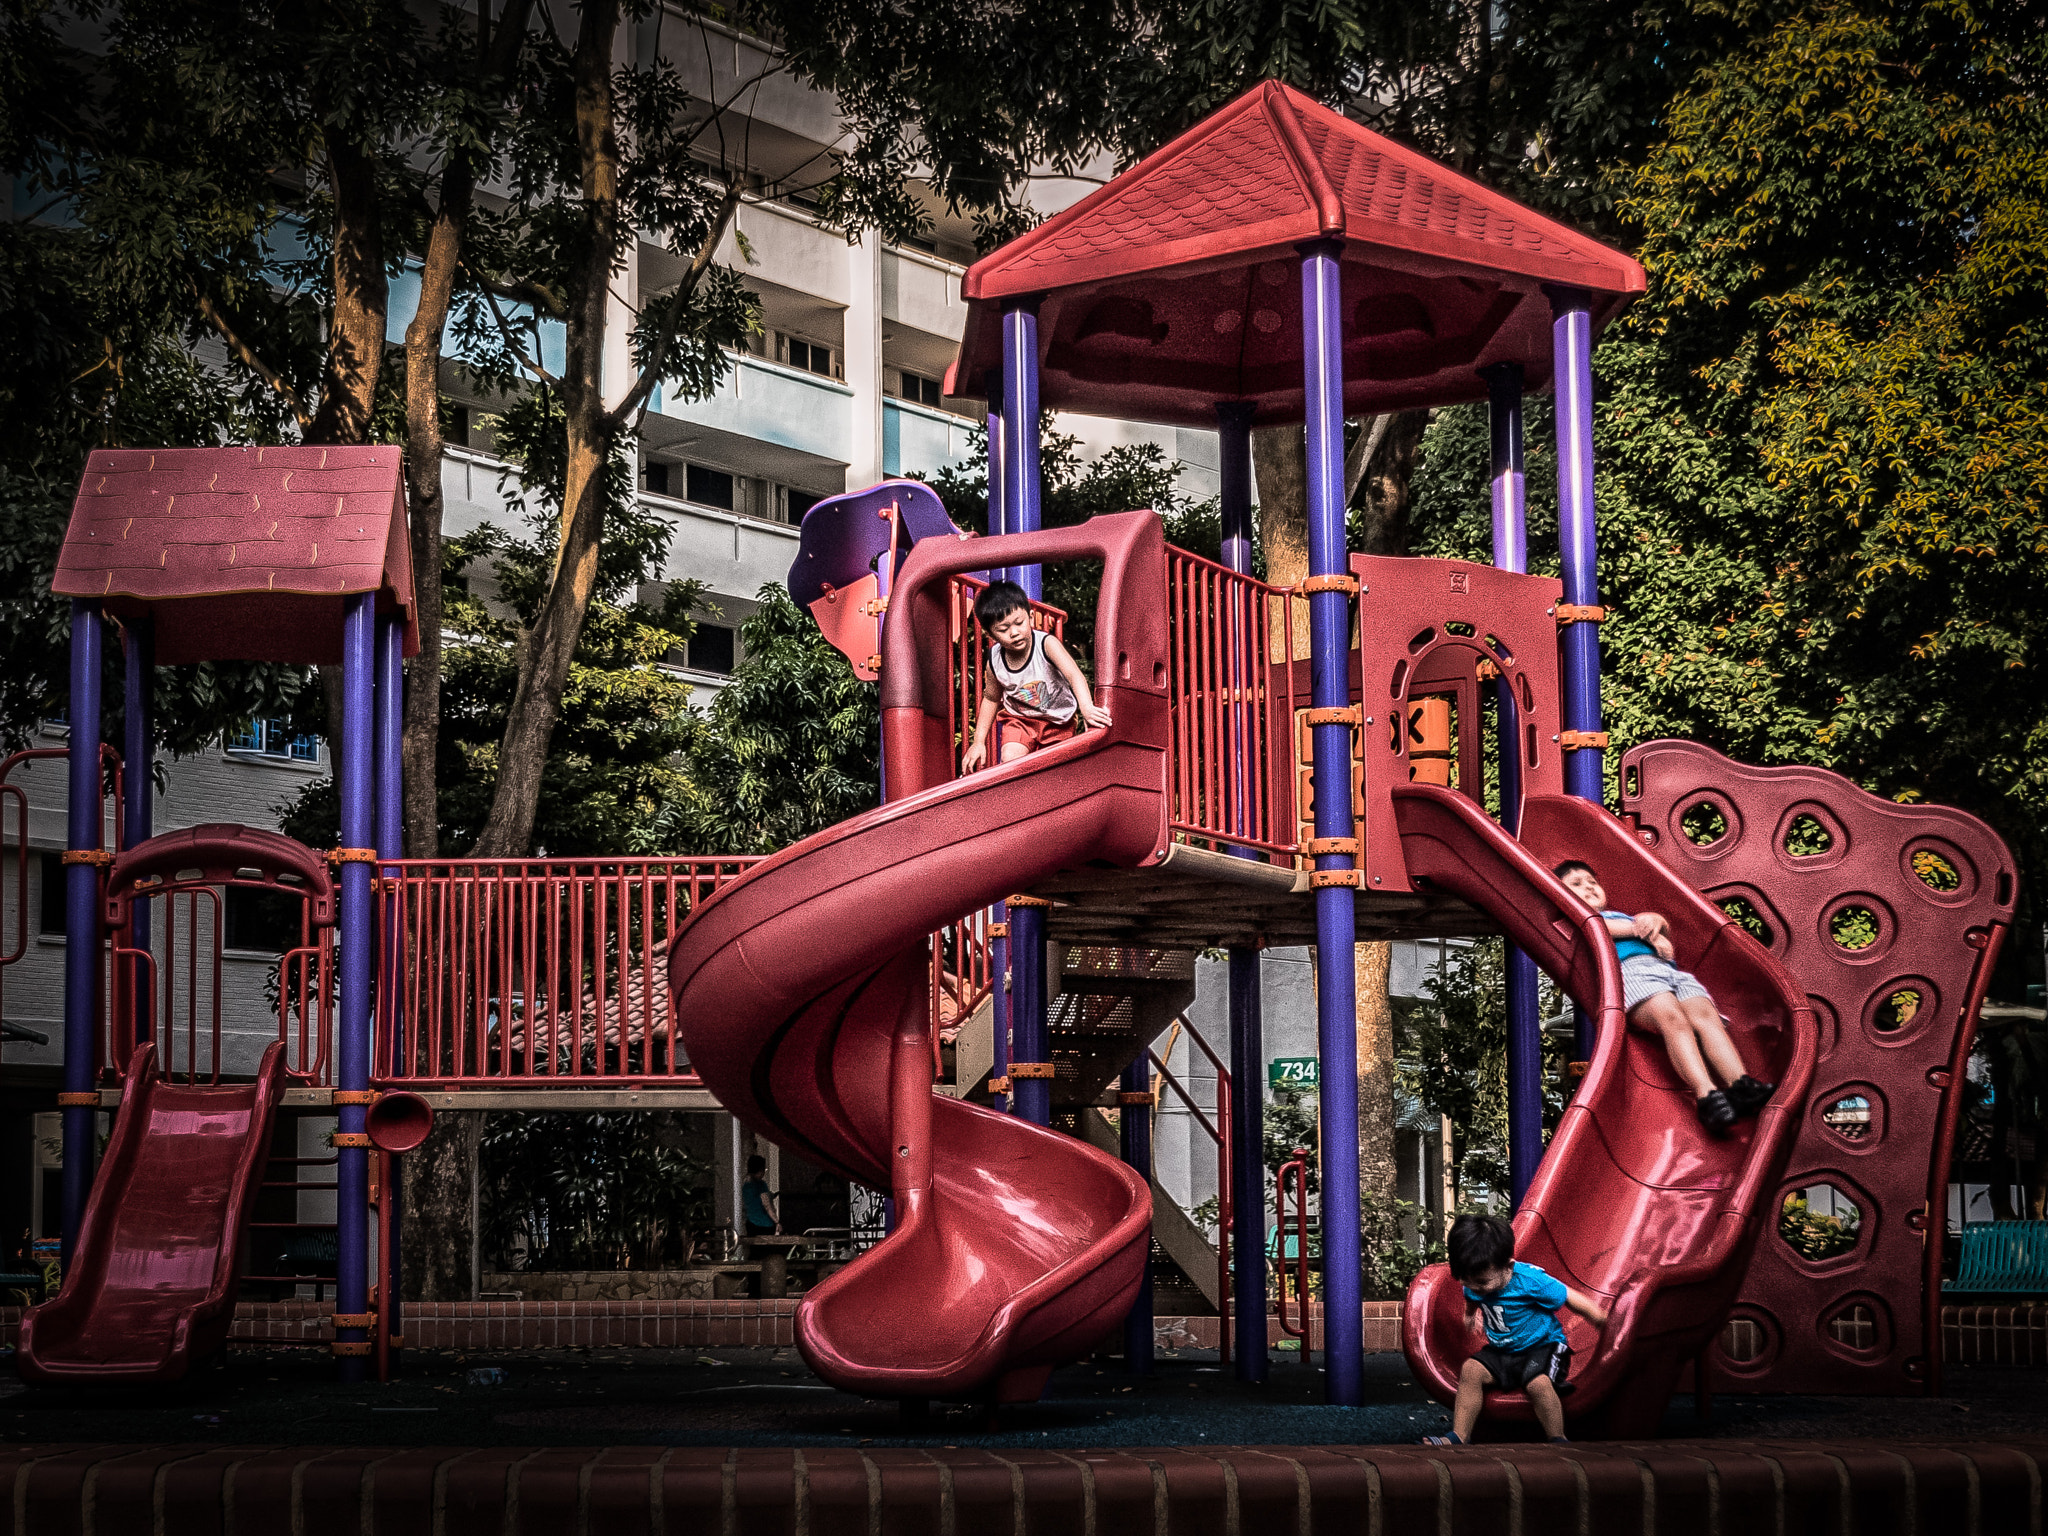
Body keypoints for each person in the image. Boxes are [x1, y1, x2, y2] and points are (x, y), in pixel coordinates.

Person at [1554, 859, 1775, 1134]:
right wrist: (1645, 930)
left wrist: (1656, 921)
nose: (1588, 887)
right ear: (1561, 895)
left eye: (1592, 882)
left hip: (1666, 972)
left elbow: (1662, 934)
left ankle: (1739, 1084)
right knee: (1673, 1019)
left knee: (1707, 1017)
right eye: (1576, 885)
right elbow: (1597, 931)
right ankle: (1707, 1096)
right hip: (1630, 974)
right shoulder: (1573, 923)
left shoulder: (1621, 916)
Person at [1423, 1213, 1608, 1447]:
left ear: (1508, 1266)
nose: (1475, 1288)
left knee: (1537, 1383)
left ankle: (1558, 1438)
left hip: (1543, 1347)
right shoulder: (1473, 1282)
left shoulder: (1530, 1280)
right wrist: (1469, 1315)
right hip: (1503, 1350)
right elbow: (1470, 1296)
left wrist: (1599, 1318)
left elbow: (1568, 1296)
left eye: (1481, 1282)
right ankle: (1458, 1436)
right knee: (1470, 1370)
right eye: (1465, 1281)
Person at [961, 579, 1112, 772]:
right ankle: (1017, 799)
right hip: (1020, 720)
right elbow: (991, 698)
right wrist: (979, 741)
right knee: (1010, 760)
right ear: (991, 634)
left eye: (1019, 623)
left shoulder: (1046, 645)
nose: (1014, 632)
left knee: (1056, 770)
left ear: (1030, 617)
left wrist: (1087, 708)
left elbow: (1074, 675)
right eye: (1003, 629)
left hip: (1058, 721)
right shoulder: (995, 660)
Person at [740, 1155, 778, 1239]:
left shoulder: (744, 1184)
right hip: (765, 1224)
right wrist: (777, 1221)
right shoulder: (761, 1185)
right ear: (760, 1170)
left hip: (751, 1223)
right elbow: (766, 1204)